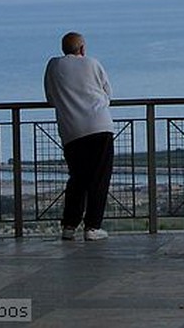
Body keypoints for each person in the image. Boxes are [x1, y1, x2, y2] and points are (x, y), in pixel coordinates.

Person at [43, 31, 115, 241]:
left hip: (72, 130)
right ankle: (92, 227)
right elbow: (108, 93)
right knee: (99, 178)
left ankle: (69, 225)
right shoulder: (93, 63)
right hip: (100, 125)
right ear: (82, 48)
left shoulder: (54, 66)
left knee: (77, 178)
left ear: (63, 49)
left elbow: (50, 98)